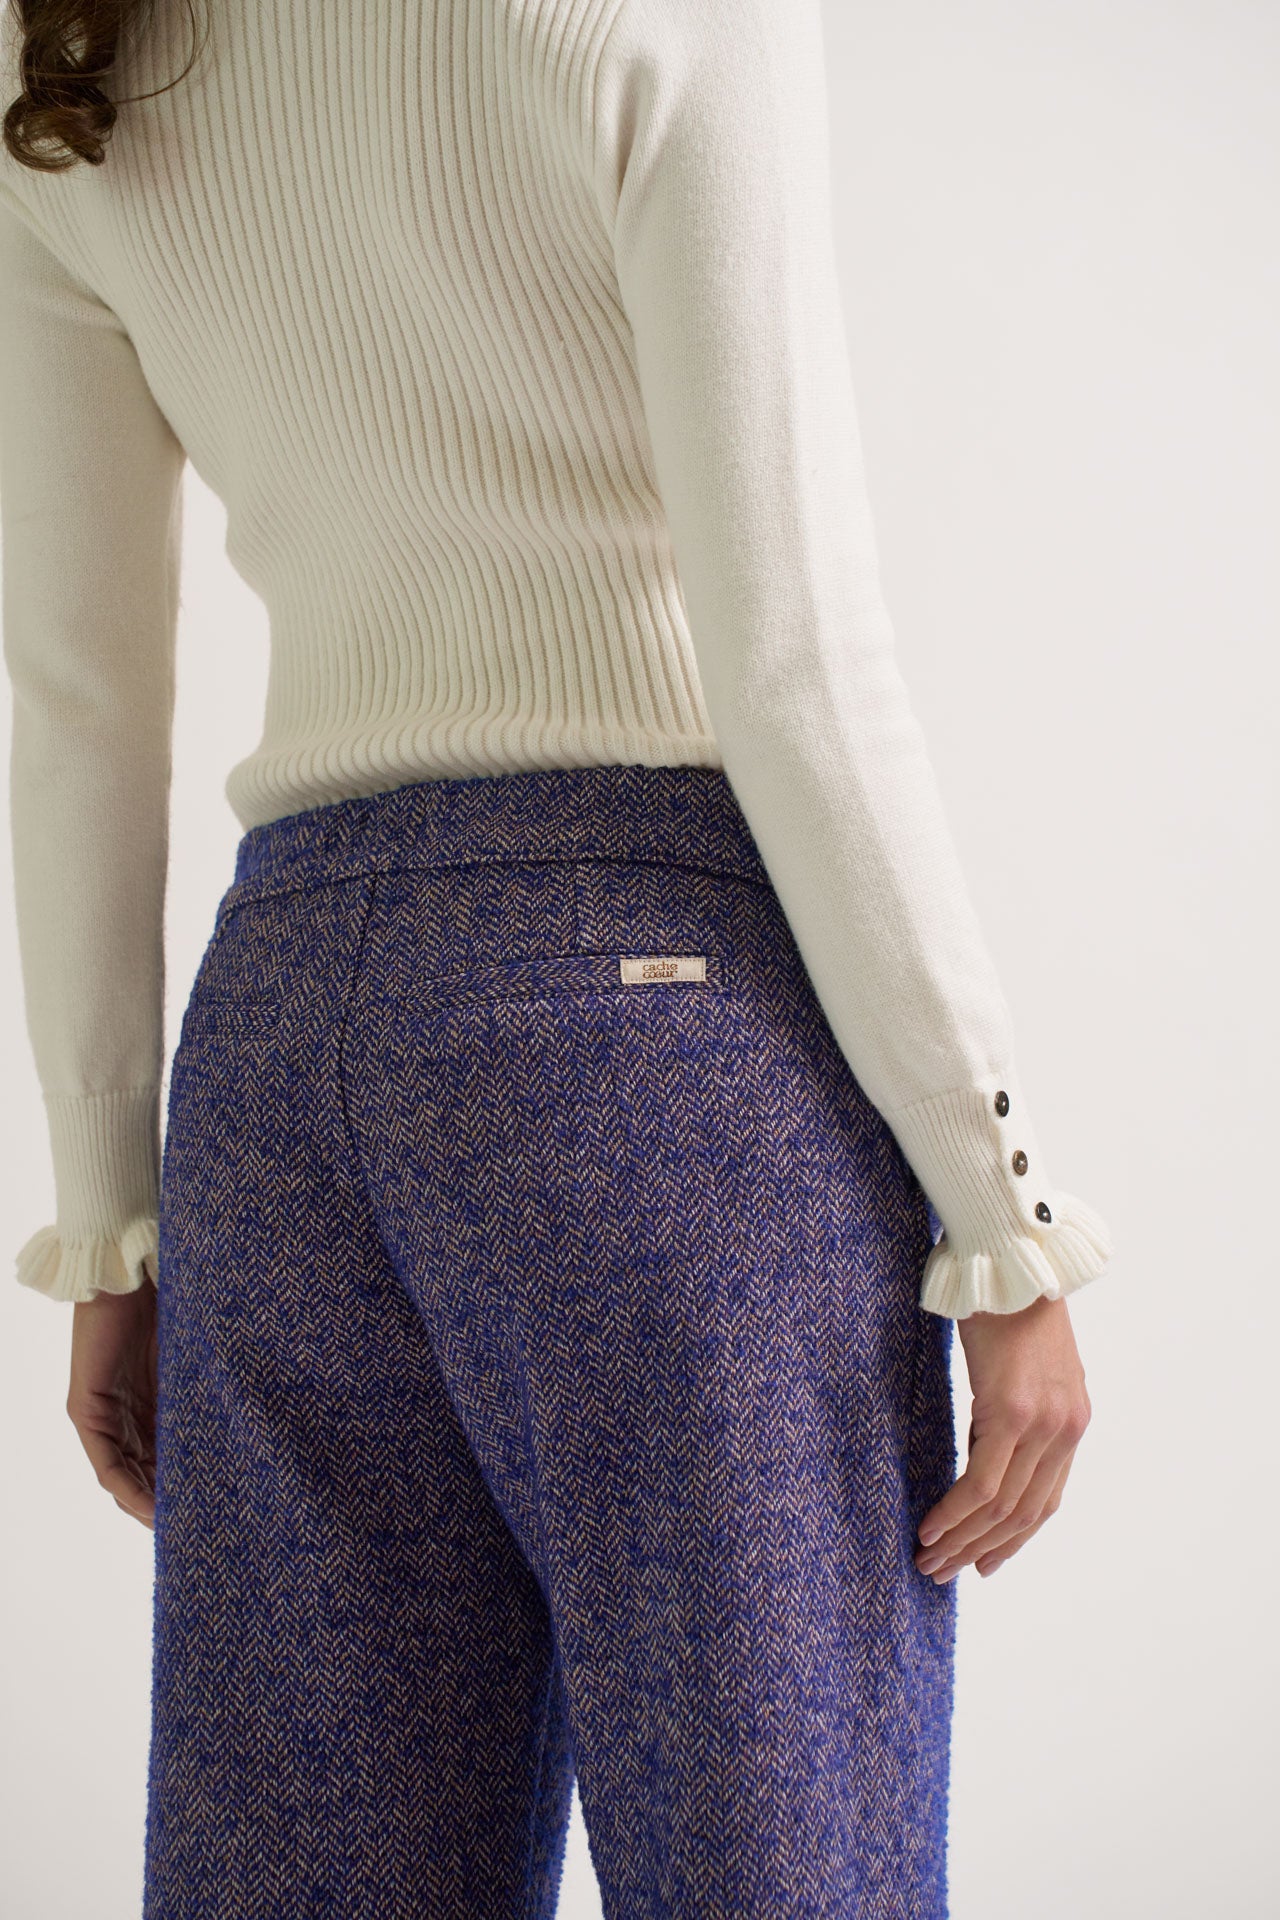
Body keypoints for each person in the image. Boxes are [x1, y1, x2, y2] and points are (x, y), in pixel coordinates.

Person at [0, 0, 1112, 1913]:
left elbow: (75, 700)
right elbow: (792, 652)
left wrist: (115, 1220)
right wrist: (1001, 1214)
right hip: (656, 1028)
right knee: (774, 1868)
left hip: (280, 1051)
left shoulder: (65, 63)